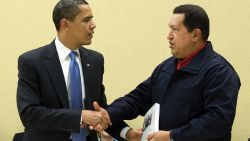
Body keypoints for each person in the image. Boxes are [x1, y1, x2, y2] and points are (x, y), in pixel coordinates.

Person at [105, 4, 241, 141]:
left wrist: (172, 136)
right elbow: (137, 99)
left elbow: (218, 122)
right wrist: (106, 114)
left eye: (175, 29)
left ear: (195, 35)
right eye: (170, 29)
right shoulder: (167, 66)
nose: (168, 36)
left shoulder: (220, 72)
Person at [16, 0, 130, 141]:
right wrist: (80, 116)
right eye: (86, 20)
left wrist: (126, 132)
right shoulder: (32, 61)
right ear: (65, 25)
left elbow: (99, 111)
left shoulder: (95, 60)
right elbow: (30, 114)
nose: (93, 25)